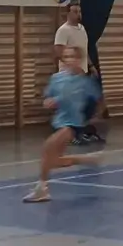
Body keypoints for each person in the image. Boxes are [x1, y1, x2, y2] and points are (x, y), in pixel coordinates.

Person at [23, 46, 103, 203]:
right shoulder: (56, 79)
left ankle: (41, 189)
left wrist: (92, 117)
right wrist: (49, 102)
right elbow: (48, 98)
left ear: (79, 60)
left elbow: (98, 101)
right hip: (58, 122)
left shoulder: (85, 82)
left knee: (47, 147)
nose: (70, 60)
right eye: (67, 57)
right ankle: (85, 159)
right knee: (52, 160)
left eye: (73, 57)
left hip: (73, 124)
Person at [53, 5, 104, 145]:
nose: (78, 14)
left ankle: (85, 131)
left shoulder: (82, 29)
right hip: (68, 77)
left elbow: (84, 51)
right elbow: (58, 52)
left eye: (79, 11)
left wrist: (91, 66)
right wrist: (72, 68)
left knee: (88, 104)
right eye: (75, 11)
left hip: (83, 74)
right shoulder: (63, 30)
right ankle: (71, 135)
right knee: (72, 107)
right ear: (68, 13)